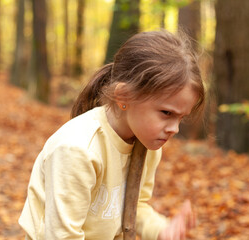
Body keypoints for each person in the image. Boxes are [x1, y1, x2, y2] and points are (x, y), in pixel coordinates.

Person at [19, 30, 205, 240]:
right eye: (166, 113)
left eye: (181, 118)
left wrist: (163, 230)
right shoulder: (78, 149)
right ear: (124, 96)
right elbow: (63, 235)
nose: (174, 129)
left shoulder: (146, 145)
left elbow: (134, 207)